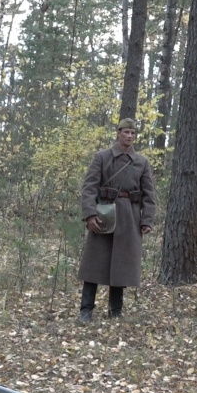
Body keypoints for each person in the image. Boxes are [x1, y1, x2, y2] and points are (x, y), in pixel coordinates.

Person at [77, 118, 157, 322]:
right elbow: (89, 188)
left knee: (121, 265)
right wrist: (90, 214)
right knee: (93, 264)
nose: (129, 136)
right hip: (103, 215)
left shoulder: (141, 162)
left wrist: (146, 219)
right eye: (126, 132)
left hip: (129, 218)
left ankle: (116, 311)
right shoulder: (102, 157)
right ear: (118, 133)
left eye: (133, 133)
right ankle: (86, 310)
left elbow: (149, 194)